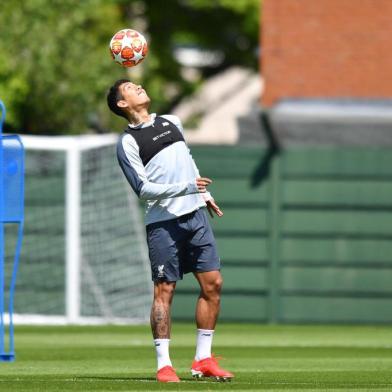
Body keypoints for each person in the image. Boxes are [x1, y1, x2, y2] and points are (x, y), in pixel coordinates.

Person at [107, 79, 234, 383]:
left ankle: (203, 360)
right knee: (165, 291)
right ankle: (164, 365)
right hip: (163, 224)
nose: (138, 86)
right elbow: (143, 189)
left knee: (213, 284)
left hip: (196, 216)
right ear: (122, 104)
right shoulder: (127, 142)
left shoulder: (172, 121)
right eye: (130, 87)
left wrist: (203, 195)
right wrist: (187, 188)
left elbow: (188, 161)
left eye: (137, 84)